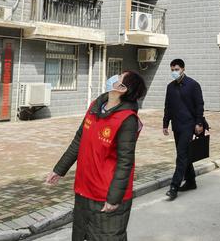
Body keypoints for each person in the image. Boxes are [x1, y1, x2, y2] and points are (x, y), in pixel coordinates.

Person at [44, 72, 147, 241]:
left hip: (105, 195)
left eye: (119, 77)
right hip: (84, 190)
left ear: (122, 88)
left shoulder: (127, 119)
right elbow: (79, 140)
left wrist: (114, 199)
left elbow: (125, 162)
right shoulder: (95, 106)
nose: (114, 78)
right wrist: (59, 170)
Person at [163, 59, 208, 200]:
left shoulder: (193, 85)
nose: (174, 72)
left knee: (181, 155)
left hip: (189, 125)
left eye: (176, 69)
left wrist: (199, 123)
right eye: (172, 70)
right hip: (177, 126)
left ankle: (174, 186)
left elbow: (199, 105)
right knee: (184, 154)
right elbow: (168, 107)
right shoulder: (170, 87)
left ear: (183, 69)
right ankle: (191, 181)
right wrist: (165, 124)